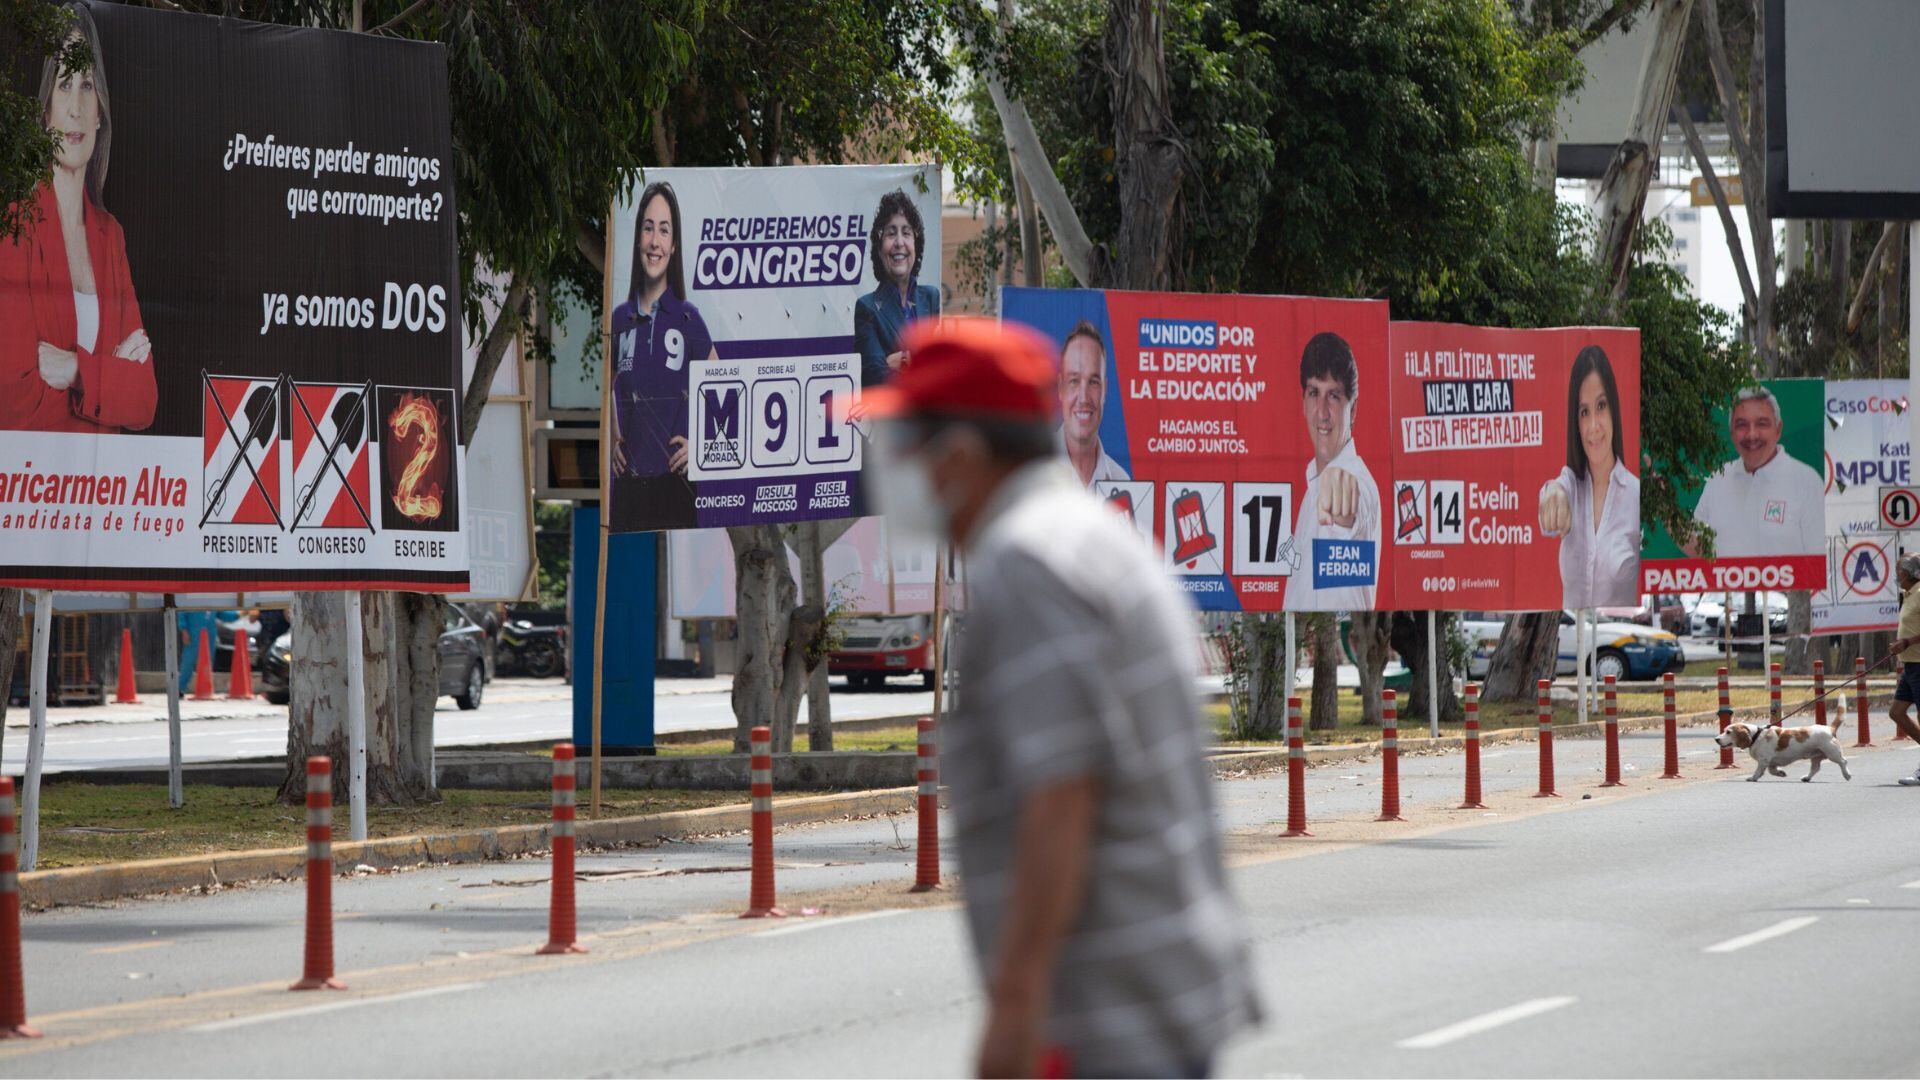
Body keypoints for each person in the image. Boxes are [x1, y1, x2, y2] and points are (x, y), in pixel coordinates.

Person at [862, 317, 1259, 1079]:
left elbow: (1061, 795)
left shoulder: (1028, 566)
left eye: (907, 447)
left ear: (962, 458)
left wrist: (1015, 1007)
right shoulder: (1089, 539)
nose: (897, 470)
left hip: (1100, 1022)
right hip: (1151, 996)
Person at [0, 2, 156, 434]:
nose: (75, 107)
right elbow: (13, 403)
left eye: (87, 86)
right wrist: (109, 376)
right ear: (45, 109)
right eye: (64, 85)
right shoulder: (12, 229)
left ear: (101, 109)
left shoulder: (111, 238)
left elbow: (144, 399)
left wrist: (72, 369)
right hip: (31, 491)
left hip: (101, 497)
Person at [609, 181, 715, 528]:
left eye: (664, 230)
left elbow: (726, 388)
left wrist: (699, 443)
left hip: (676, 487)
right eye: (648, 228)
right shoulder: (619, 318)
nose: (655, 241)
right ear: (638, 237)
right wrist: (613, 438)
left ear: (673, 246)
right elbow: (606, 387)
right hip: (628, 488)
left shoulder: (688, 316)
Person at [1284, 332, 1380, 611]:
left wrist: (1341, 503)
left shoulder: (1355, 480)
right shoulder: (1312, 485)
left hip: (1338, 654)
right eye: (1314, 393)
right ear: (1303, 403)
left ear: (1354, 409)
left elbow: (1348, 505)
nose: (1322, 412)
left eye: (1334, 396)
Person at [1538, 345, 1641, 608]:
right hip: (1575, 639)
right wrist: (1552, 492)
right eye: (1584, 412)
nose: (1593, 426)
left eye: (1601, 406)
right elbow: (1554, 490)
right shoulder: (1570, 486)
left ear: (1614, 409)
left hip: (1619, 639)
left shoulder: (1636, 494)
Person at [1685, 386, 1826, 558]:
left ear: (1778, 429)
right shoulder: (1718, 479)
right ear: (1731, 433)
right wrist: (1664, 508)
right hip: (1724, 587)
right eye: (1741, 425)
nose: (1751, 435)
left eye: (1762, 424)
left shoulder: (1806, 481)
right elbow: (1700, 551)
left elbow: (1819, 564)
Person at [853, 189, 939, 388]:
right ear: (879, 247)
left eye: (906, 233)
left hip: (928, 418)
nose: (899, 242)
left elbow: (941, 370)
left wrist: (899, 361)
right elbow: (876, 380)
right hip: (892, 418)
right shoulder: (867, 309)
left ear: (915, 244)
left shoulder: (931, 298)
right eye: (891, 233)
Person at [1057, 321, 1129, 489]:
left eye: (1093, 382)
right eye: (1074, 381)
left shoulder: (1121, 482)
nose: (1083, 398)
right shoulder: (1033, 475)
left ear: (1105, 390)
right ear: (1060, 389)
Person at [1884, 554, 1920, 783]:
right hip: (1910, 665)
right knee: (1896, 712)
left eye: (1898, 571)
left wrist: (1906, 642)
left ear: (1906, 573)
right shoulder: (1907, 595)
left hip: (1919, 662)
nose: (1896, 576)